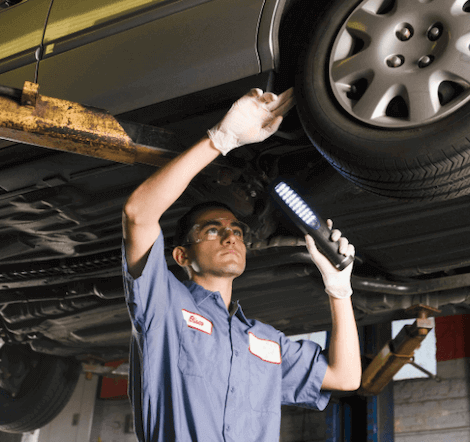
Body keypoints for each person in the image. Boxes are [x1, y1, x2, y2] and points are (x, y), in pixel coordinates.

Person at [122, 88, 361, 442]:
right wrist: (222, 139)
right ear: (181, 256)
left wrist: (339, 290)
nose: (230, 237)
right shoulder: (165, 306)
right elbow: (138, 214)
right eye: (213, 230)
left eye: (236, 230)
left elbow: (346, 377)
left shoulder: (263, 341)